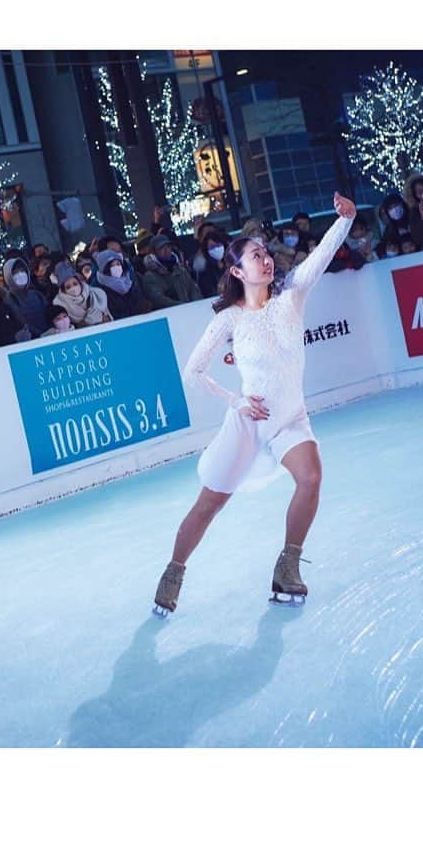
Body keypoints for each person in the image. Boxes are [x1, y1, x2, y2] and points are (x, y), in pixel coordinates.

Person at [152, 192, 359, 617]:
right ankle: (174, 571)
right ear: (236, 269)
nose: (265, 260)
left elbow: (321, 255)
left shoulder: (292, 298)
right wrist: (237, 401)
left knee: (312, 477)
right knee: (209, 505)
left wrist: (344, 221)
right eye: (254, 255)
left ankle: (287, 565)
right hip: (249, 425)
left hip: (289, 418)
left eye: (266, 253)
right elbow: (193, 372)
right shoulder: (228, 318)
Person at [140, 234, 202, 310]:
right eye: (161, 248)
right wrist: (184, 307)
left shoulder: (181, 270)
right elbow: (159, 300)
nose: (166, 250)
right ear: (153, 253)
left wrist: (196, 304)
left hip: (190, 311)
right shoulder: (150, 276)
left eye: (168, 246)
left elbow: (193, 289)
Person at [92, 249, 150, 319]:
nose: (116, 267)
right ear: (105, 268)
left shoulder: (132, 279)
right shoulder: (98, 288)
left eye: (118, 264)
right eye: (111, 266)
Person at [52, 262, 112, 328]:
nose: (73, 288)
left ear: (80, 283)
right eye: (68, 287)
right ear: (63, 291)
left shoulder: (96, 294)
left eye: (75, 284)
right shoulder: (61, 305)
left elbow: (108, 316)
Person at [1, 256, 49, 338]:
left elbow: (50, 312)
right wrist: (40, 335)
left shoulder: (37, 294)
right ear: (8, 276)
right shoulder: (8, 300)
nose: (20, 274)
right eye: (15, 272)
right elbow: (21, 323)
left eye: (22, 271)